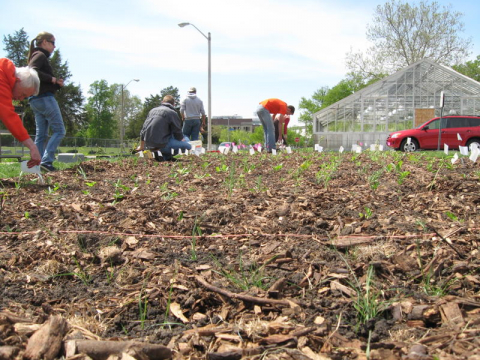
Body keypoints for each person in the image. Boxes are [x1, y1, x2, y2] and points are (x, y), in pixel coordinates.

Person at [27, 32, 66, 172]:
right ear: (44, 42)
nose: (54, 46)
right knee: (60, 131)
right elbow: (32, 71)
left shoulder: (37, 55)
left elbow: (39, 78)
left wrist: (56, 84)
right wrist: (53, 80)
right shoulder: (40, 55)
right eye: (52, 42)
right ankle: (47, 161)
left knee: (41, 135)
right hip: (45, 98)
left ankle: (36, 164)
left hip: (35, 99)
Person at [0, 58, 41, 168]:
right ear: (17, 80)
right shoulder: (1, 77)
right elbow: (8, 116)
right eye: (23, 94)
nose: (21, 99)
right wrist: (32, 147)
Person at [136, 95, 191, 161]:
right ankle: (167, 154)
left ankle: (165, 157)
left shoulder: (152, 111)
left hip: (149, 145)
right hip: (163, 145)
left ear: (162, 102)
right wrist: (181, 139)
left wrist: (141, 146)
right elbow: (177, 131)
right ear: (173, 104)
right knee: (188, 143)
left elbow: (143, 130)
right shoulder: (172, 113)